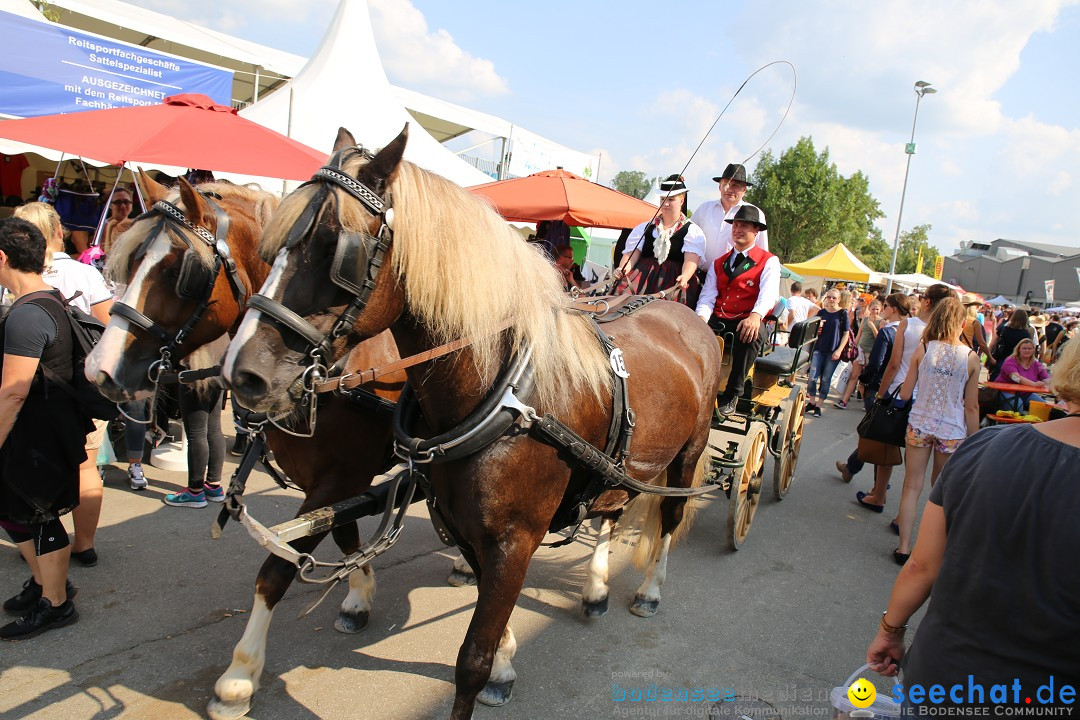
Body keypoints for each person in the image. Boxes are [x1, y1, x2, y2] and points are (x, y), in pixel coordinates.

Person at [865, 339, 1080, 708]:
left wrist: (891, 630)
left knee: (914, 486)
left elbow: (922, 565)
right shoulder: (979, 424)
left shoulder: (986, 446)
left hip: (943, 677)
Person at [0, 218, 89, 640]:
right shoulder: (48, 299)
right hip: (44, 428)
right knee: (15, 510)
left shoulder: (27, 315)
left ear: (2, 258)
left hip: (35, 433)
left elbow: (12, 393)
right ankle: (44, 582)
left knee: (40, 516)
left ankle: (56, 604)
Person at [13, 202, 113, 567]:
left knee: (31, 468)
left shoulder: (14, 272)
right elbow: (107, 327)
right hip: (79, 384)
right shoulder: (85, 274)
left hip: (24, 385)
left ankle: (40, 544)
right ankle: (83, 544)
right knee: (85, 464)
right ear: (58, 231)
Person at [892, 297, 981, 565]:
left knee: (911, 486)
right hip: (952, 429)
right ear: (962, 324)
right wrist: (974, 441)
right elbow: (972, 407)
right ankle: (930, 551)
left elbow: (906, 393)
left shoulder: (925, 348)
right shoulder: (971, 357)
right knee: (940, 491)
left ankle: (904, 548)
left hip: (919, 424)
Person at [853, 284, 957, 510]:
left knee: (887, 447)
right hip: (929, 400)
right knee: (916, 466)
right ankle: (905, 515)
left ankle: (878, 494)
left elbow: (894, 364)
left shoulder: (909, 325)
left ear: (927, 301)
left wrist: (881, 393)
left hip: (901, 393)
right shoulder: (948, 333)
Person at [695, 204, 780, 417]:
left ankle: (733, 393)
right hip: (720, 317)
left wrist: (755, 315)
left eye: (745, 226)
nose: (738, 230)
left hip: (747, 317)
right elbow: (707, 296)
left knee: (752, 334)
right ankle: (697, 387)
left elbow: (768, 294)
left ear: (756, 231)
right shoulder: (718, 262)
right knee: (692, 333)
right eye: (735, 225)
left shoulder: (768, 261)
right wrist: (700, 320)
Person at [836, 294, 910, 485]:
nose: (883, 309)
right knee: (879, 435)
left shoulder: (888, 332)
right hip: (904, 390)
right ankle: (865, 477)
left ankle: (873, 483)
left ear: (893, 309)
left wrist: (865, 382)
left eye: (885, 306)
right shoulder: (911, 332)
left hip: (882, 386)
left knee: (874, 434)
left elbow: (877, 363)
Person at [616, 175, 705, 304]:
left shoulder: (692, 231)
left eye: (671, 199)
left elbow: (691, 260)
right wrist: (623, 269)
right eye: (663, 199)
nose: (666, 203)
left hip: (671, 282)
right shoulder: (645, 228)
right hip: (641, 279)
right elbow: (631, 254)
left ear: (681, 201)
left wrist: (685, 276)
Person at [163, 377, 227, 509]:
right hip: (217, 374)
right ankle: (213, 486)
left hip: (195, 374)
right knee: (214, 430)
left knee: (197, 433)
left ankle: (195, 491)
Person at [691, 163, 769, 267]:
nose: (729, 189)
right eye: (726, 184)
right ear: (719, 187)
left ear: (744, 190)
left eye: (735, 186)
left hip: (735, 279)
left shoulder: (755, 213)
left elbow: (761, 251)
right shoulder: (704, 209)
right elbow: (689, 240)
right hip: (700, 277)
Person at [804, 288, 850, 416]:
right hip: (819, 348)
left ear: (839, 299)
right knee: (812, 376)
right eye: (829, 297)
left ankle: (819, 405)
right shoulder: (821, 312)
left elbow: (846, 333)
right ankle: (812, 402)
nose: (831, 300)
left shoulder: (842, 313)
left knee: (825, 379)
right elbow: (810, 326)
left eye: (834, 297)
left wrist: (839, 350)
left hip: (833, 350)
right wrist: (817, 325)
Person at [836, 298, 882, 408]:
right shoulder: (865, 319)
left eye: (877, 309)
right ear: (869, 309)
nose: (875, 311)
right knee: (854, 376)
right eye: (873, 309)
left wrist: (873, 327)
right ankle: (844, 401)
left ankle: (867, 403)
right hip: (861, 350)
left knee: (867, 380)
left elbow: (880, 338)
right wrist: (853, 347)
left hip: (872, 353)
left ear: (880, 310)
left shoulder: (882, 321)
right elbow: (859, 334)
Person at [996, 338, 1050, 411]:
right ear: (1019, 349)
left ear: (1033, 350)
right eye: (1024, 348)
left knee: (1044, 407)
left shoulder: (1036, 364)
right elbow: (1016, 377)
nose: (1027, 350)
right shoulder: (1010, 361)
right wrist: (1034, 384)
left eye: (1029, 349)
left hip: (1026, 394)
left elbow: (1046, 379)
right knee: (1017, 406)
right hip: (1007, 392)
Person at [959, 292, 994, 369]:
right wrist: (990, 357)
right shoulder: (974, 322)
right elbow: (982, 343)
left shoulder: (955, 319)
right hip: (967, 353)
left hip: (955, 352)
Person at [100, 187, 135, 256]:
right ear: (110, 205)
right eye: (118, 202)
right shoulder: (103, 227)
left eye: (126, 202)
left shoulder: (136, 224)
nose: (123, 206)